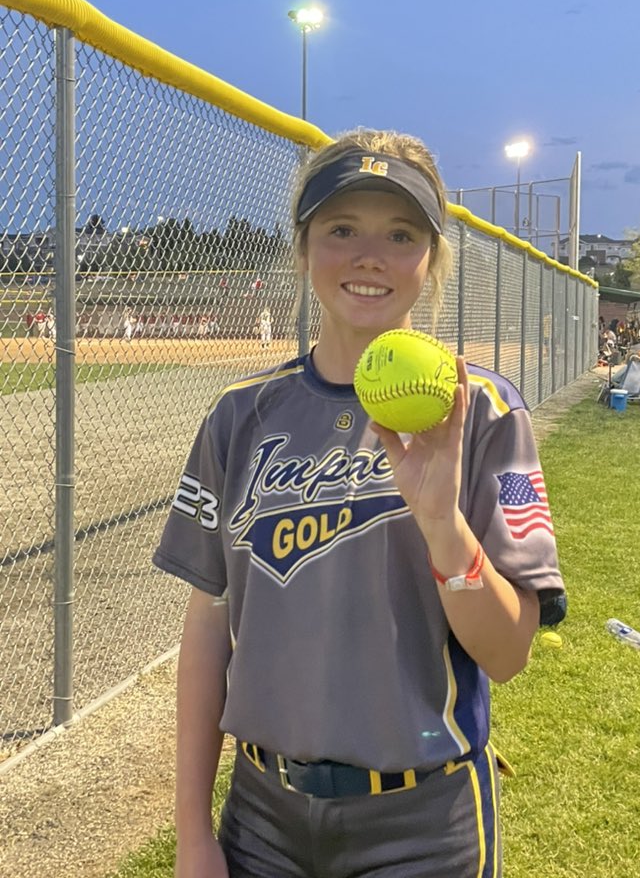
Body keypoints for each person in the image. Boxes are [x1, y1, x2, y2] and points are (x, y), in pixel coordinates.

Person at [153, 128, 565, 878]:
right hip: (261, 816)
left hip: (422, 824)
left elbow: (507, 656)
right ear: (303, 247)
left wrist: (443, 528)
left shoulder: (487, 415)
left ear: (431, 261)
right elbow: (208, 627)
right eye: (342, 229)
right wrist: (191, 832)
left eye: (400, 234)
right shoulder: (240, 417)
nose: (369, 256)